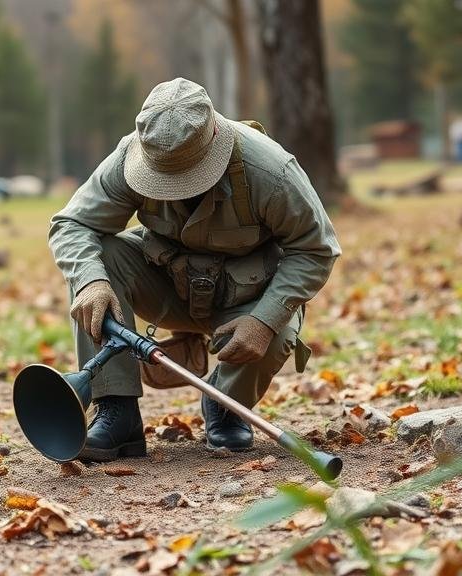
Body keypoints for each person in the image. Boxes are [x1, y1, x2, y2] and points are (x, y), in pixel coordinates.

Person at [48, 78, 340, 462]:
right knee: (99, 259)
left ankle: (226, 404)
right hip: (166, 284)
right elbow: (73, 224)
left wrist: (265, 320)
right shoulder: (127, 158)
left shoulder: (271, 172)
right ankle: (117, 413)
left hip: (245, 299)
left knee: (278, 330)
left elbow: (316, 249)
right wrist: (91, 280)